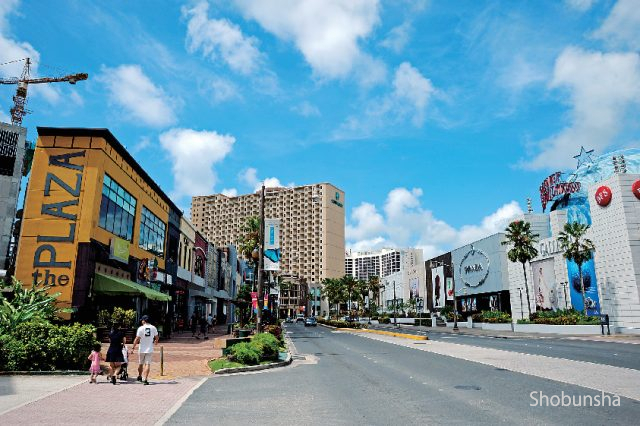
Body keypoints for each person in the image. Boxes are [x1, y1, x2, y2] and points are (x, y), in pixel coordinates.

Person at [131, 315, 159, 386]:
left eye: (142, 320)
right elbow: (157, 337)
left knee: (140, 363)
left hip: (142, 349)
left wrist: (133, 348)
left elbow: (137, 339)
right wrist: (156, 341)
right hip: (149, 349)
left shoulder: (141, 328)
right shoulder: (153, 328)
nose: (141, 321)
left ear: (144, 320)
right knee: (147, 364)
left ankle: (140, 376)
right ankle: (145, 379)